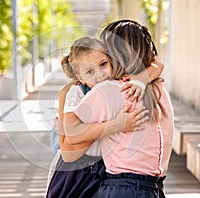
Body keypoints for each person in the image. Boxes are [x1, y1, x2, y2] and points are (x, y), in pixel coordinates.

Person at [66, 20, 174, 197]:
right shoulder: (160, 90)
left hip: (120, 188)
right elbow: (157, 64)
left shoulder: (109, 90)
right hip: (155, 189)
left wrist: (69, 97)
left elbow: (70, 138)